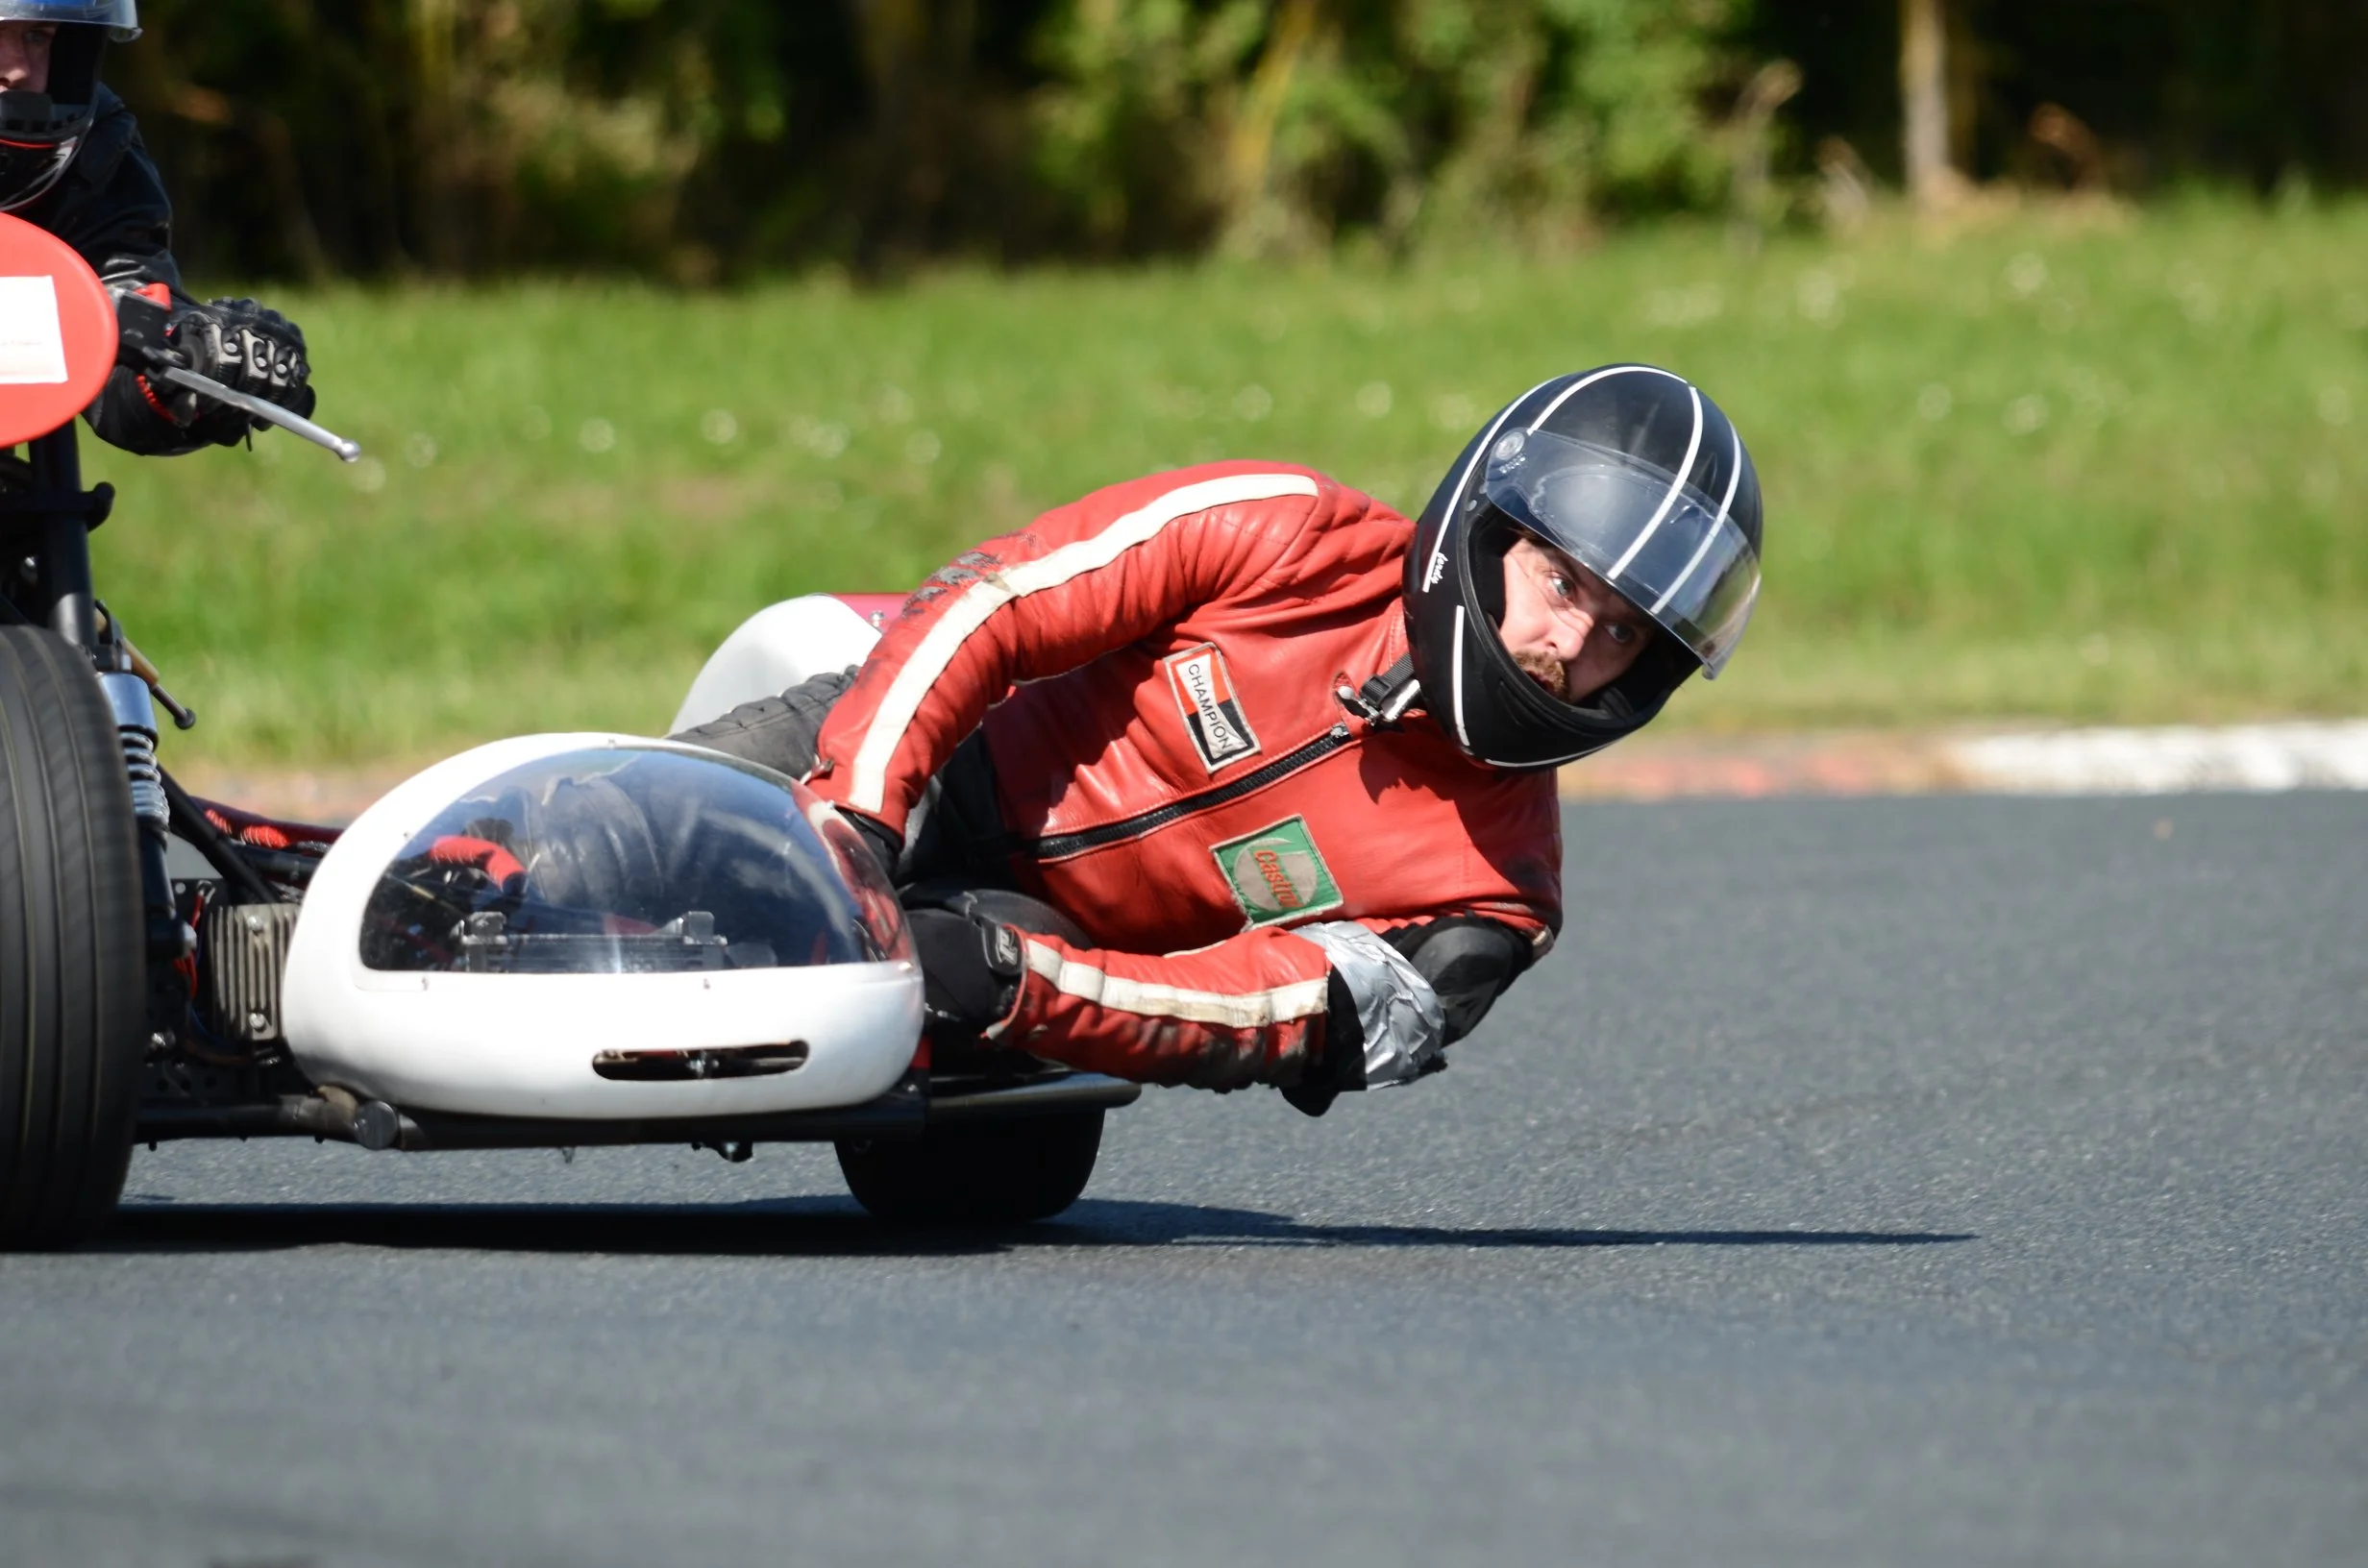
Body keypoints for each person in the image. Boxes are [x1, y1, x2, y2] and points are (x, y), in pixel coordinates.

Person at [676, 364, 1764, 1115]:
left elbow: (1264, 1014)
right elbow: (998, 599)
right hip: (918, 760)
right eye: (1561, 583)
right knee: (628, 838)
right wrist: (857, 815)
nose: (1568, 645)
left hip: (1032, 939)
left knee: (959, 1155)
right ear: (1487, 531)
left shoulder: (1496, 900)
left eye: (1622, 632)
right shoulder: (1285, 530)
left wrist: (1020, 981)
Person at [0, 3, 315, 454]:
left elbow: (124, 304)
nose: (16, 69)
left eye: (37, 36)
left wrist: (194, 357)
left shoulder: (97, 146)